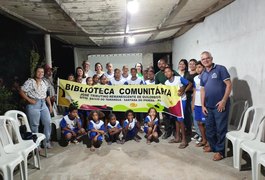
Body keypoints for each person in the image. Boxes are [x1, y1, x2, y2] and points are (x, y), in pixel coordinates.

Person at [200, 51, 232, 161]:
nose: (205, 60)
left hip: (220, 105)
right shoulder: (203, 74)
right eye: (203, 59)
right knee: (209, 129)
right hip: (208, 106)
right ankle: (213, 147)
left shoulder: (220, 69)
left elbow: (229, 85)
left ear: (211, 58)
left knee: (220, 129)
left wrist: (224, 100)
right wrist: (202, 105)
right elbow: (202, 90)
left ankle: (220, 151)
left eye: (207, 58)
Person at [19, 66, 53, 148]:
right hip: (33, 105)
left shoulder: (44, 82)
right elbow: (21, 91)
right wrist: (29, 100)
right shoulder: (30, 81)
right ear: (35, 72)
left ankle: (46, 142)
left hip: (43, 103)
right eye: (38, 72)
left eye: (42, 72)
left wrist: (50, 105)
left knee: (48, 122)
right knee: (34, 125)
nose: (40, 73)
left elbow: (46, 95)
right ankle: (37, 145)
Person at [164, 67, 192, 149]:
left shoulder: (179, 78)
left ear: (172, 72)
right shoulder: (166, 82)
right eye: (165, 72)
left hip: (181, 101)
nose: (167, 73)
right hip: (174, 102)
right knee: (176, 119)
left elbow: (190, 84)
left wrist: (184, 90)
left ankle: (184, 140)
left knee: (180, 119)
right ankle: (177, 138)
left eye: (168, 71)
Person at [154, 58, 179, 139]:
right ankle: (167, 131)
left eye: (163, 63)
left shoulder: (173, 71)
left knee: (174, 115)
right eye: (159, 64)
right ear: (158, 65)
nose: (161, 65)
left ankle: (176, 131)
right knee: (165, 116)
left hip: (174, 98)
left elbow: (179, 81)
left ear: (166, 64)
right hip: (164, 98)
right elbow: (156, 87)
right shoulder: (157, 75)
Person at [192, 61, 207, 147]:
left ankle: (208, 141)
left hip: (204, 103)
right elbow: (194, 90)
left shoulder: (206, 77)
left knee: (205, 123)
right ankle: (204, 139)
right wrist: (193, 103)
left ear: (204, 68)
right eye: (197, 67)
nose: (198, 69)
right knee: (199, 122)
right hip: (197, 103)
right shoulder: (195, 78)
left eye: (200, 67)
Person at [178, 59, 194, 136]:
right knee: (178, 113)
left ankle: (188, 129)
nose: (181, 65)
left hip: (186, 96)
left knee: (186, 113)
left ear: (186, 66)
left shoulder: (187, 74)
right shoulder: (176, 73)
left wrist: (184, 91)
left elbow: (190, 85)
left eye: (183, 64)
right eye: (180, 64)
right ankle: (180, 129)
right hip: (177, 96)